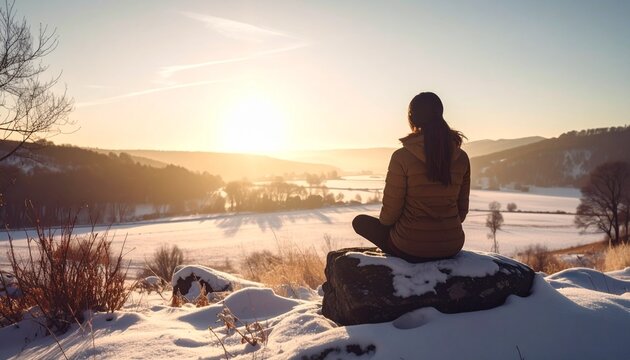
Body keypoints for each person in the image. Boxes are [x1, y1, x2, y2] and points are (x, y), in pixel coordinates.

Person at [352, 92, 470, 263]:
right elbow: (462, 212)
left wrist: (405, 230)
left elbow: (389, 216)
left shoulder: (402, 157)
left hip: (409, 247)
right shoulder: (462, 157)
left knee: (360, 222)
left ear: (412, 118)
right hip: (452, 245)